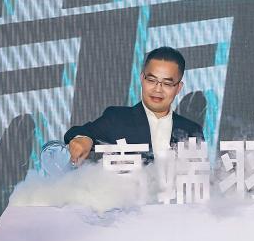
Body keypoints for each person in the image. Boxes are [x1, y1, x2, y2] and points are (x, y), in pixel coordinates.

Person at [64, 47, 204, 164]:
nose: (158, 89)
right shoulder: (117, 118)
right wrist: (84, 139)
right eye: (151, 80)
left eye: (167, 83)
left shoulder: (191, 130)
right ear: (142, 79)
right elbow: (83, 132)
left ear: (178, 88)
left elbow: (198, 178)